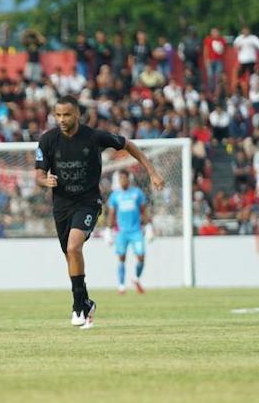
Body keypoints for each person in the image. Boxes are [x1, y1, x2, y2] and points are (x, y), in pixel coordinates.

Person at [34, 96, 164, 329]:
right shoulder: (48, 140)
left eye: (67, 115)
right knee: (70, 255)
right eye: (58, 115)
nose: (62, 119)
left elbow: (128, 145)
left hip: (88, 202)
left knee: (73, 247)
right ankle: (87, 303)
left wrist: (152, 172)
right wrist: (45, 181)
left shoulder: (94, 137)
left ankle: (77, 307)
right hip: (61, 206)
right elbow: (38, 175)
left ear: (77, 115)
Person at [106, 170, 148, 294]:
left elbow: (143, 210)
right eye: (121, 178)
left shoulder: (137, 193)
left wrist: (148, 225)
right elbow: (112, 214)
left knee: (141, 256)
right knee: (121, 257)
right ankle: (121, 285)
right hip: (121, 232)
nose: (123, 180)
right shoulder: (115, 195)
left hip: (136, 231)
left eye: (125, 178)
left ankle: (136, 278)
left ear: (129, 179)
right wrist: (109, 230)